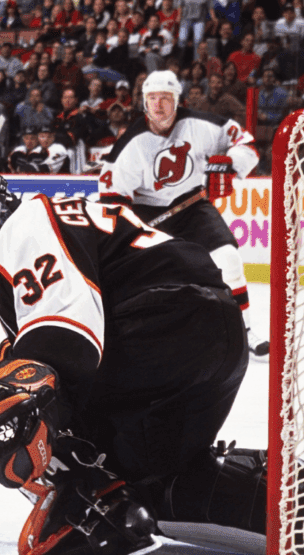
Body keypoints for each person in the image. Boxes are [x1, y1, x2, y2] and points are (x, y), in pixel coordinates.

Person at [0, 163, 273, 555]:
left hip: (162, 328)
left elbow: (69, 342)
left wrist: (18, 392)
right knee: (147, 474)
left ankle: (96, 518)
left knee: (35, 423)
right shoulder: (58, 213)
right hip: (218, 339)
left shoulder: (22, 226)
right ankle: (260, 496)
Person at [98, 70, 269, 358]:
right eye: (152, 98)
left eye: (165, 98)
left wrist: (228, 163)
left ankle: (245, 330)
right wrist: (127, 227)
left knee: (228, 259)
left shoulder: (201, 124)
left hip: (191, 205)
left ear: (178, 100)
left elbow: (247, 143)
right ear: (143, 103)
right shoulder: (130, 144)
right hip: (144, 212)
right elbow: (112, 198)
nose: (159, 105)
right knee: (142, 278)